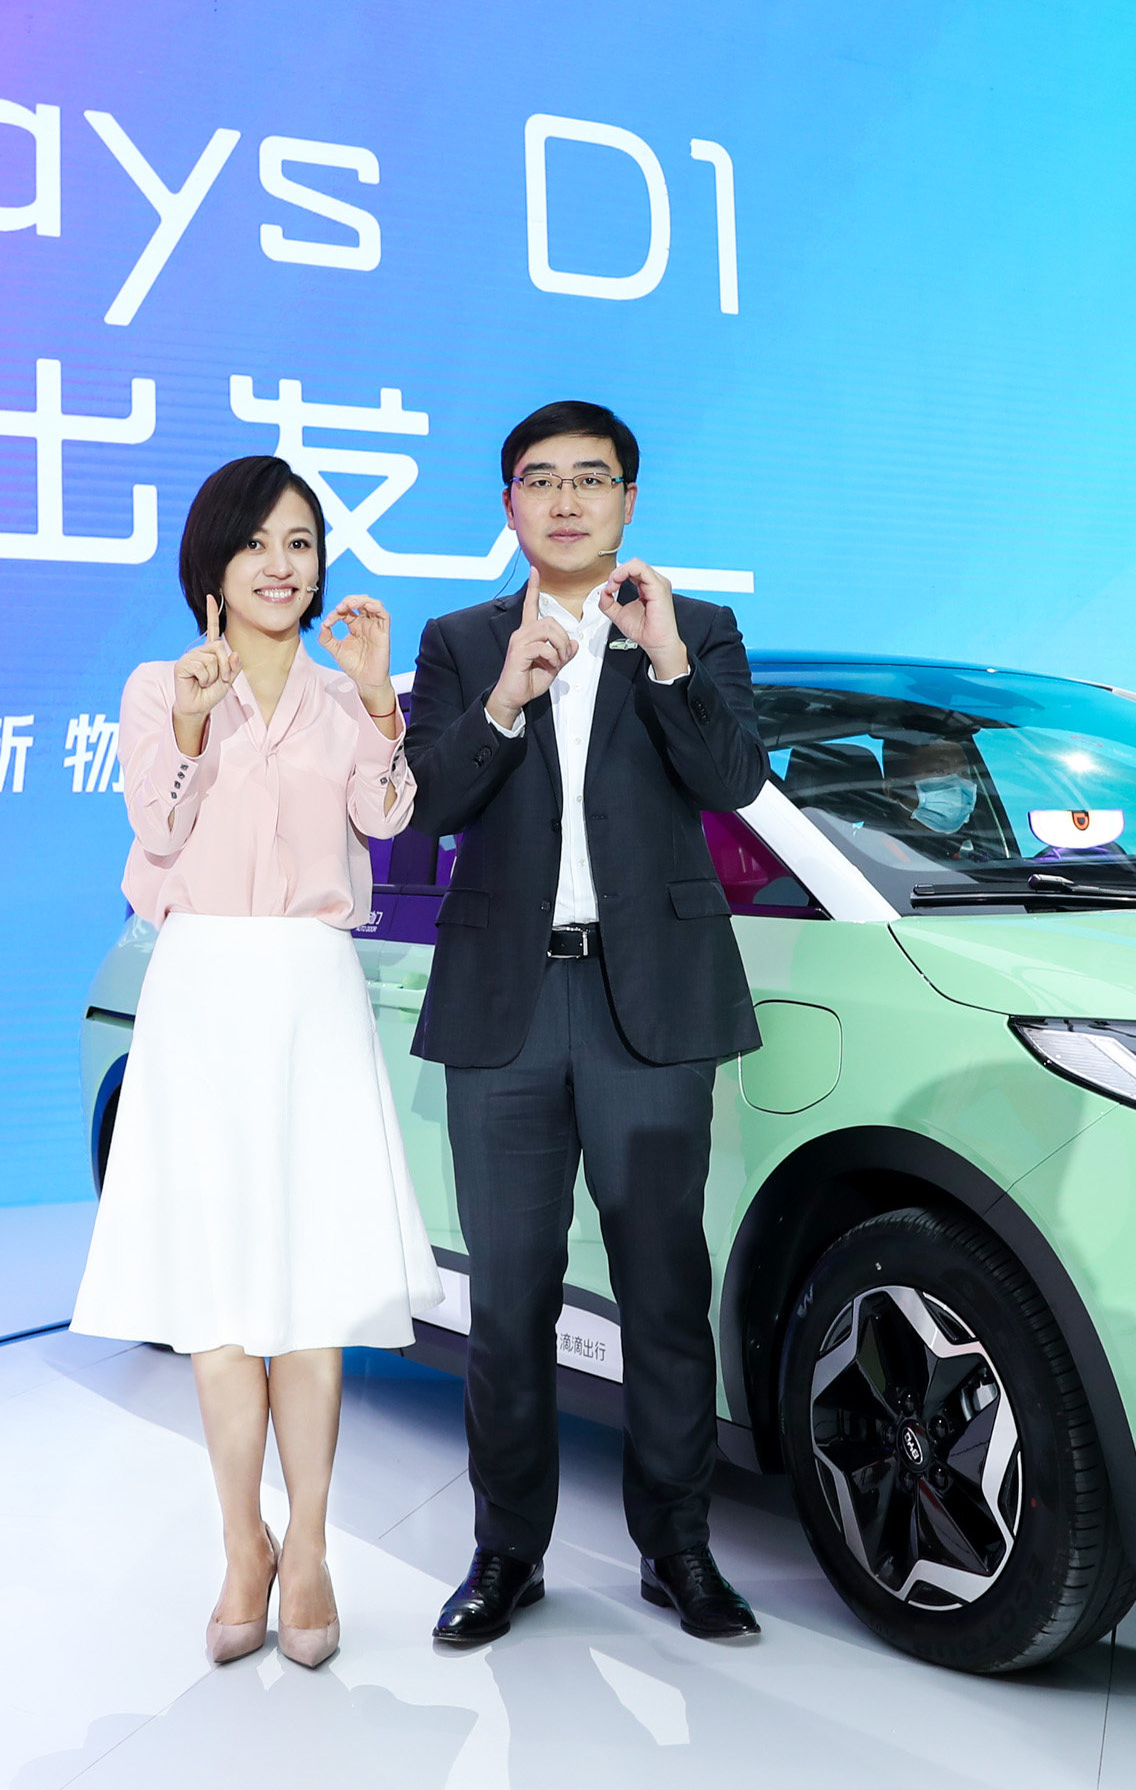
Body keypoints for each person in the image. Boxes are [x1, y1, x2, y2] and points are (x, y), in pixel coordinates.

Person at [402, 400, 771, 1646]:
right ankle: (506, 1549)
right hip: (505, 1003)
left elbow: (734, 782)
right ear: (509, 505)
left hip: (647, 1000)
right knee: (508, 1296)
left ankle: (679, 1546)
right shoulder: (461, 641)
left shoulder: (695, 627)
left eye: (592, 479)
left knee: (664, 1285)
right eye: (541, 480)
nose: (567, 500)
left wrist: (666, 663)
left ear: (628, 501)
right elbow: (425, 805)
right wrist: (505, 700)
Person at [70, 455, 441, 1670]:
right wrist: (190, 721)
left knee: (313, 1289)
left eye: (300, 542)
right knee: (221, 1293)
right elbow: (158, 827)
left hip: (310, 990)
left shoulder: (340, 694)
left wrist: (381, 700)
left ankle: (314, 1545)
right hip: (203, 991)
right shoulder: (158, 686)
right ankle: (244, 1543)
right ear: (213, 564)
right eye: (257, 543)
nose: (282, 565)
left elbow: (389, 817)